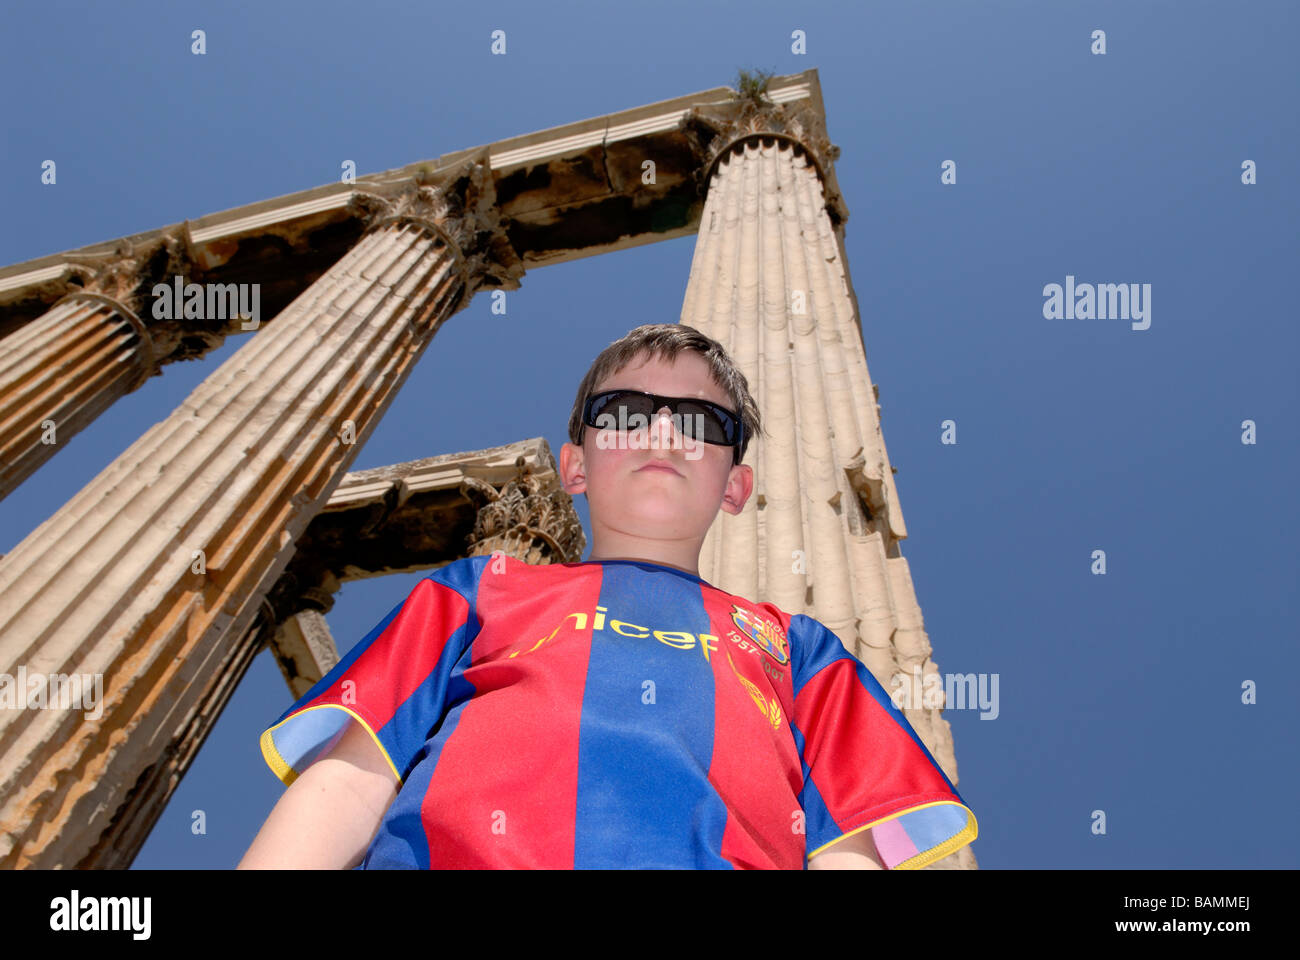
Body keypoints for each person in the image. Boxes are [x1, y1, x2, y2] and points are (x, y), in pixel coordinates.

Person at [238, 323, 978, 870]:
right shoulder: (477, 591)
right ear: (576, 467)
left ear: (736, 485)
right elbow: (348, 782)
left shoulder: (801, 647)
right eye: (625, 413)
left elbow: (847, 849)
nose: (662, 431)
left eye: (699, 421)